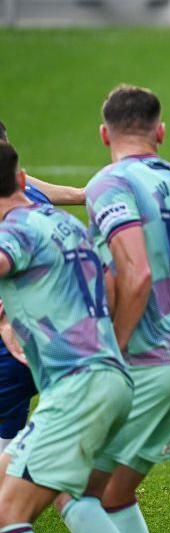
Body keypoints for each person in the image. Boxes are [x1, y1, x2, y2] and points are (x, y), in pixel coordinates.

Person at [68, 84, 170, 533]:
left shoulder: (110, 183)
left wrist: (116, 349)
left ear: (104, 133)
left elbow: (137, 273)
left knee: (73, 490)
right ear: (161, 132)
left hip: (147, 359)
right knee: (115, 493)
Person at [0, 140, 135, 533]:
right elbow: (111, 281)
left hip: (76, 389)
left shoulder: (13, 232)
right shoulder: (63, 224)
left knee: (9, 515)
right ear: (24, 180)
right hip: (110, 377)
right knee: (73, 496)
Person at [0, 120, 87, 456]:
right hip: (76, 345)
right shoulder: (54, 219)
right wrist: (82, 196)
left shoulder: (15, 225)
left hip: (21, 345)